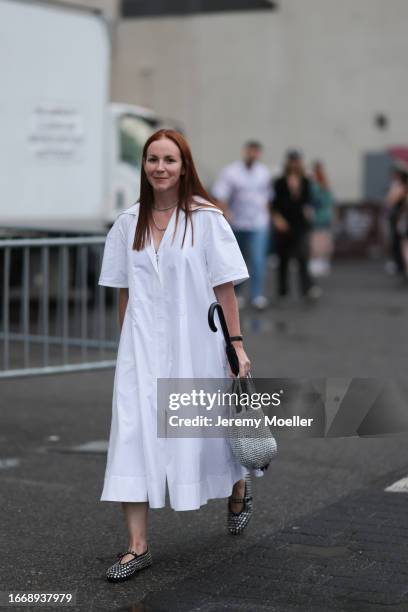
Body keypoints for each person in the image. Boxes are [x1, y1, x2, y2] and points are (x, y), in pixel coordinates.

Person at [98, 129, 254, 583]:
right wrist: (125, 348)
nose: (160, 167)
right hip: (141, 349)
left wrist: (236, 345)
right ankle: (137, 546)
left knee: (209, 430)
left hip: (197, 343)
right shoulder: (128, 223)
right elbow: (124, 295)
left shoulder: (206, 219)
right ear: (143, 166)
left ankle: (239, 486)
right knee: (132, 433)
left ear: (184, 166)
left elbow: (224, 288)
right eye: (152, 159)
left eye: (169, 159)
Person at [212, 141, 273, 310]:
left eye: (256, 152)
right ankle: (237, 294)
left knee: (258, 259)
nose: (253, 154)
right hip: (237, 223)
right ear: (245, 152)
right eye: (250, 151)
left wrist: (270, 218)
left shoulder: (263, 173)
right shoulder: (231, 172)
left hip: (258, 223)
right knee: (236, 261)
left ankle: (256, 295)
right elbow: (220, 194)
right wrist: (226, 212)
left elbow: (268, 198)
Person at [271, 150, 320, 301]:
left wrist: (296, 189)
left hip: (300, 224)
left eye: (297, 161)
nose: (294, 164)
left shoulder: (305, 181)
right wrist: (277, 219)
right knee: (283, 259)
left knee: (302, 257)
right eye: (292, 161)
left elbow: (309, 201)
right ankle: (282, 292)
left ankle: (307, 289)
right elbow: (273, 204)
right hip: (283, 223)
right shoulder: (279, 182)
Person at [309, 161, 335, 277]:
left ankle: (319, 261)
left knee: (318, 240)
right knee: (323, 239)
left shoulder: (317, 185)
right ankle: (321, 261)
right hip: (324, 215)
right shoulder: (325, 184)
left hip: (319, 216)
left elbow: (317, 201)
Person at [384, 168, 408, 277]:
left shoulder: (401, 188)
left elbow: (390, 201)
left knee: (403, 244)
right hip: (400, 218)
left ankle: (403, 266)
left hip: (401, 219)